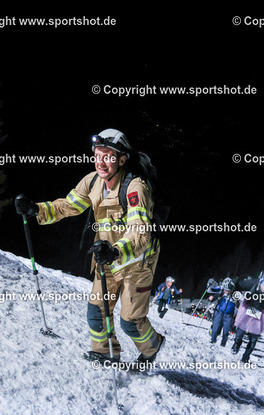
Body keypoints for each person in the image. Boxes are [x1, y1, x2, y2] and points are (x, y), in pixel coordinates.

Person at [15, 128, 165, 364]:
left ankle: (152, 347)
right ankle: (106, 353)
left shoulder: (135, 187)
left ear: (122, 159)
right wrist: (37, 210)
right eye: (97, 156)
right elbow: (68, 205)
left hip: (136, 262)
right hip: (106, 256)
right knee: (96, 311)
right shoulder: (93, 181)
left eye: (108, 157)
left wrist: (115, 250)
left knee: (130, 321)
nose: (101, 162)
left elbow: (140, 231)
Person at [231, 269, 264, 363]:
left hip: (261, 314)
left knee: (253, 339)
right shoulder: (253, 283)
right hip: (248, 309)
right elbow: (240, 284)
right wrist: (234, 283)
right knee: (240, 332)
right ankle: (237, 344)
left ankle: (245, 357)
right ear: (260, 280)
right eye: (263, 283)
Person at [210, 280, 236, 346]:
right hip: (219, 312)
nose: (227, 292)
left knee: (226, 330)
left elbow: (238, 304)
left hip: (228, 315)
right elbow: (215, 296)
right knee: (215, 327)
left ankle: (223, 343)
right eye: (226, 290)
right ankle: (213, 339)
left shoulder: (234, 296)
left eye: (228, 291)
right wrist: (212, 298)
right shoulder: (222, 293)